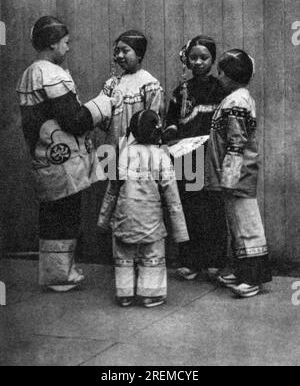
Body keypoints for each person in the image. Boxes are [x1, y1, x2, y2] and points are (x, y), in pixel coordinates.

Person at [16, 16, 114, 292]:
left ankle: (58, 271)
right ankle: (60, 275)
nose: (68, 48)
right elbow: (76, 121)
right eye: (66, 43)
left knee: (53, 215)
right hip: (61, 161)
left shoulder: (31, 72)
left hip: (45, 157)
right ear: (52, 43)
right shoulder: (49, 74)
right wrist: (104, 103)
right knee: (64, 216)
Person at [98, 110, 189, 308]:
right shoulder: (161, 157)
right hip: (151, 221)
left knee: (123, 256)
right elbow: (172, 198)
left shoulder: (123, 156)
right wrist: (180, 232)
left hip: (124, 218)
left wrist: (103, 220)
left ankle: (125, 294)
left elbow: (111, 192)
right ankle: (150, 295)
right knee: (152, 256)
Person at [205, 48, 272, 298]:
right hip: (234, 176)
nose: (218, 76)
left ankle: (252, 278)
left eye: (221, 72)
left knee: (247, 226)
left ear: (231, 75)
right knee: (237, 224)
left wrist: (229, 178)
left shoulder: (236, 101)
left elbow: (236, 142)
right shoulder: (236, 98)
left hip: (237, 176)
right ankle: (242, 270)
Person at [163, 35, 228, 281]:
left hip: (210, 157)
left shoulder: (219, 89)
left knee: (212, 209)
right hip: (185, 158)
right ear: (187, 60)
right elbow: (171, 120)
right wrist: (170, 131)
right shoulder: (181, 91)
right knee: (188, 209)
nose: (198, 62)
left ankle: (215, 261)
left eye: (204, 57)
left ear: (212, 60)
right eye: (194, 57)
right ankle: (190, 261)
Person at [100, 30, 165, 145]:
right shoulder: (112, 84)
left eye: (125, 51)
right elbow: (101, 118)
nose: (119, 55)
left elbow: (155, 122)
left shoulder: (149, 84)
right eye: (117, 51)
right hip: (113, 147)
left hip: (139, 151)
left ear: (139, 54)